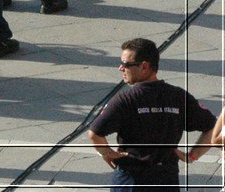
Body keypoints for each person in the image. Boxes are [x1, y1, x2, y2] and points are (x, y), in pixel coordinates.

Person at [88, 37, 217, 190]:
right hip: (166, 179)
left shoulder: (125, 99)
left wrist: (107, 153)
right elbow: (212, 127)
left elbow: (94, 134)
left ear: (144, 66)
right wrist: (192, 156)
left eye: (126, 64)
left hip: (131, 180)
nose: (120, 68)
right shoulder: (178, 96)